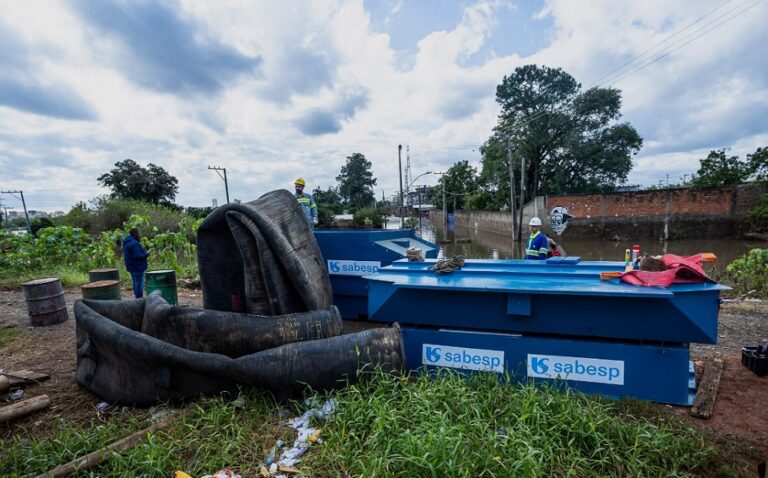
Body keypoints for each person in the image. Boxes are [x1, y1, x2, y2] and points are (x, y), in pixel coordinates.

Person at [122, 228, 150, 298]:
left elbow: (132, 254)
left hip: (131, 267)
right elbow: (138, 256)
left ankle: (137, 298)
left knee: (135, 282)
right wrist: (146, 254)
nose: (139, 234)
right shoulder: (134, 243)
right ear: (135, 234)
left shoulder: (127, 242)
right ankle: (139, 299)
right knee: (139, 284)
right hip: (138, 267)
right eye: (138, 233)